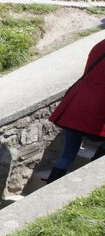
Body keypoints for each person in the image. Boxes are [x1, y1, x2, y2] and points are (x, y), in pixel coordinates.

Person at [46, 38, 105, 182]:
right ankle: (89, 183)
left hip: (79, 102)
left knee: (66, 155)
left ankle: (50, 186)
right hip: (100, 107)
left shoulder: (100, 45)